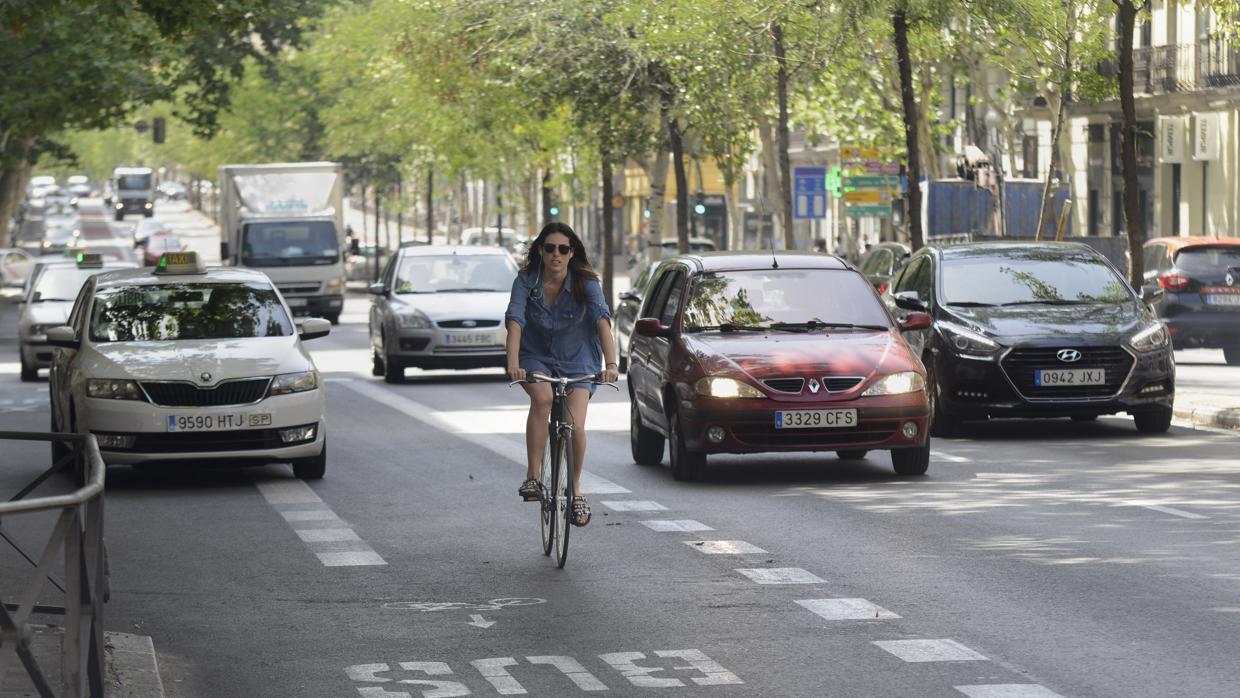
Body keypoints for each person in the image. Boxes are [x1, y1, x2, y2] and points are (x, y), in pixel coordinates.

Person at [505, 222, 619, 527]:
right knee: (541, 398)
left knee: (575, 425)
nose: (556, 254)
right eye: (550, 248)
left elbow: (602, 323)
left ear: (572, 253)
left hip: (578, 358)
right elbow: (515, 322)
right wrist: (513, 363)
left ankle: (577, 492)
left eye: (563, 249)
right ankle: (533, 477)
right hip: (536, 356)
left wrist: (611, 364)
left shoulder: (587, 283)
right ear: (541, 251)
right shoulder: (526, 282)